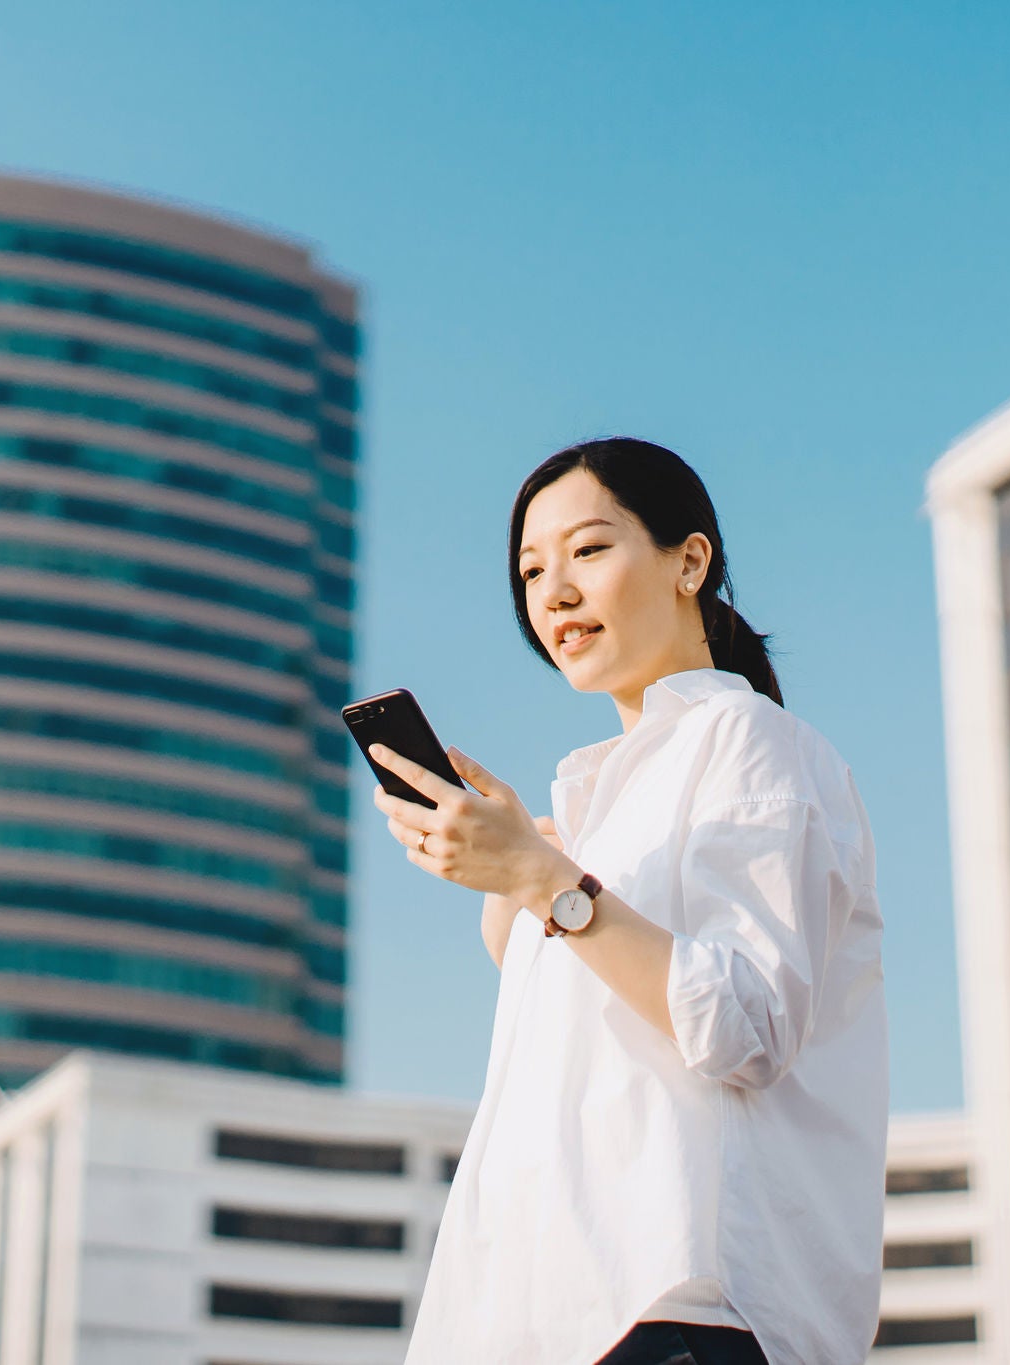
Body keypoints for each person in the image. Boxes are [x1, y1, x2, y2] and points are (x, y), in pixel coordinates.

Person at [374, 437, 889, 1365]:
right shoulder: (586, 814)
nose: (554, 591)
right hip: (534, 1324)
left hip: (682, 1311)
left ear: (689, 560)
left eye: (589, 549)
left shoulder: (751, 741)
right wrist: (516, 876)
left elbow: (749, 1023)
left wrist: (543, 881)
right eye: (531, 570)